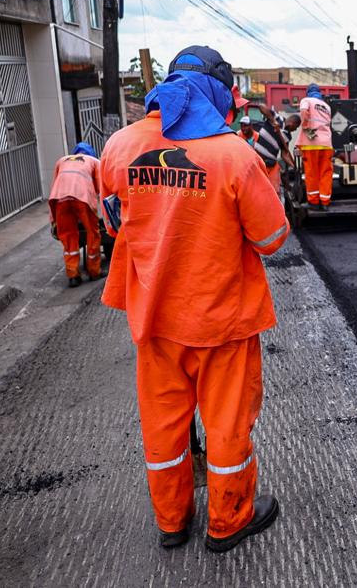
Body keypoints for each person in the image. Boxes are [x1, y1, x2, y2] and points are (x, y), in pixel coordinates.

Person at [99, 45, 289, 552]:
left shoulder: (118, 147)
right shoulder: (233, 155)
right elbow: (271, 240)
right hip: (222, 322)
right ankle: (228, 522)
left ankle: (171, 522)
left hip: (154, 320)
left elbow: (115, 224)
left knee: (164, 427)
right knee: (227, 427)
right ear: (218, 91)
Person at [48, 142, 102, 287]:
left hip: (59, 199)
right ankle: (94, 271)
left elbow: (55, 184)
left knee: (68, 235)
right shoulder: (94, 161)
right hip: (82, 197)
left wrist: (53, 219)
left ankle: (73, 275)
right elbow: (99, 188)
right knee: (93, 233)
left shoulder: (62, 160)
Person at [297, 84, 333, 209]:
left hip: (312, 144)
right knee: (325, 172)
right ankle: (325, 201)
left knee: (312, 173)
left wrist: (307, 129)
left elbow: (303, 112)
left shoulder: (306, 100)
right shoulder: (326, 106)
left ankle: (313, 202)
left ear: (308, 92)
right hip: (327, 144)